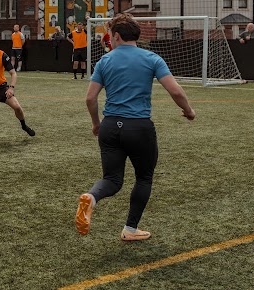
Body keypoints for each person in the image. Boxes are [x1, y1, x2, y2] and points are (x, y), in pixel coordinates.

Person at [76, 13, 195, 241]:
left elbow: (90, 98)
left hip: (110, 126)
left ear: (117, 36)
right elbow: (176, 91)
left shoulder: (105, 60)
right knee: (143, 178)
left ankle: (91, 197)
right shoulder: (152, 58)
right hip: (139, 128)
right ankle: (130, 229)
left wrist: (96, 124)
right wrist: (188, 111)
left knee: (111, 180)